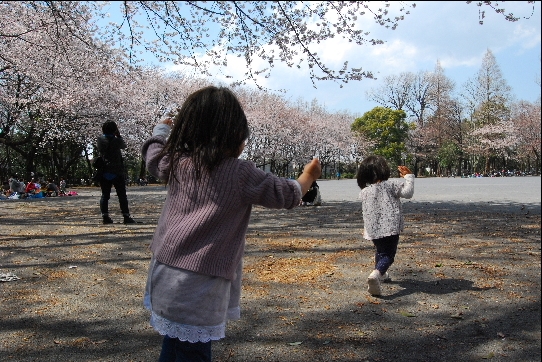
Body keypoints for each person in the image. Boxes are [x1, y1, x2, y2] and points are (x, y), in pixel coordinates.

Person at [141, 86, 321, 362]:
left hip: (164, 272)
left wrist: (161, 131)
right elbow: (286, 194)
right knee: (193, 351)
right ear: (233, 135)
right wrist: (308, 175)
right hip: (200, 282)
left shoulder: (178, 163)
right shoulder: (239, 173)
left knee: (176, 344)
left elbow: (154, 157)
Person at [356, 155, 414, 296]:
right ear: (384, 170)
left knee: (380, 251)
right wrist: (409, 177)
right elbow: (408, 193)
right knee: (388, 254)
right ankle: (376, 274)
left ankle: (382, 274)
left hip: (373, 229)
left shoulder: (364, 192)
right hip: (390, 228)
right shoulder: (391, 185)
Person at [96, 120, 136, 224]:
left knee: (105, 195)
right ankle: (126, 216)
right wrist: (118, 135)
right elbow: (123, 146)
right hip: (117, 171)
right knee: (122, 195)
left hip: (104, 171)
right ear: (115, 130)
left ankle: (105, 216)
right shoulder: (117, 140)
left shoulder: (100, 139)